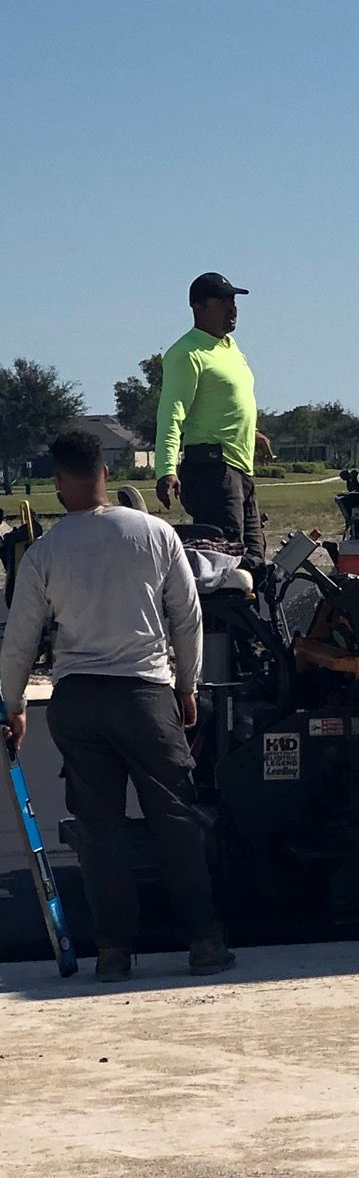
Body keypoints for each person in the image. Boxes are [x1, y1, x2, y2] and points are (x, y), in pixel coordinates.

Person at [0, 430, 233, 979]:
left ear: (59, 482)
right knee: (175, 820)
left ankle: (113, 953)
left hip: (78, 701)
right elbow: (187, 616)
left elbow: (20, 638)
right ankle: (203, 943)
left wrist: (12, 705)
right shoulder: (154, 534)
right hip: (145, 695)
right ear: (106, 472)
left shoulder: (45, 551)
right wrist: (188, 685)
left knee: (99, 831)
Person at [155, 271, 274, 556]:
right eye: (222, 301)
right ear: (198, 307)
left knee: (254, 556)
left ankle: (248, 601)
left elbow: (224, 403)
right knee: (226, 557)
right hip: (212, 471)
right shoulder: (187, 353)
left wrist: (252, 433)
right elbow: (172, 412)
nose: (232, 308)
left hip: (240, 468)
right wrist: (166, 469)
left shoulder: (230, 348)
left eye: (234, 301)